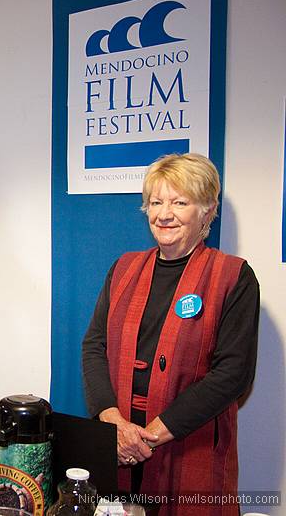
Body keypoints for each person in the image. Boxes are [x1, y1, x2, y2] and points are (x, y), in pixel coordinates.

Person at [81, 153, 259, 515]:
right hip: (118, 438)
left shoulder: (233, 277)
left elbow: (233, 374)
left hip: (189, 443)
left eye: (180, 202)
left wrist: (150, 435)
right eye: (156, 202)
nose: (164, 214)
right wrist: (113, 423)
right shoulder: (124, 268)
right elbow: (93, 347)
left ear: (207, 211)